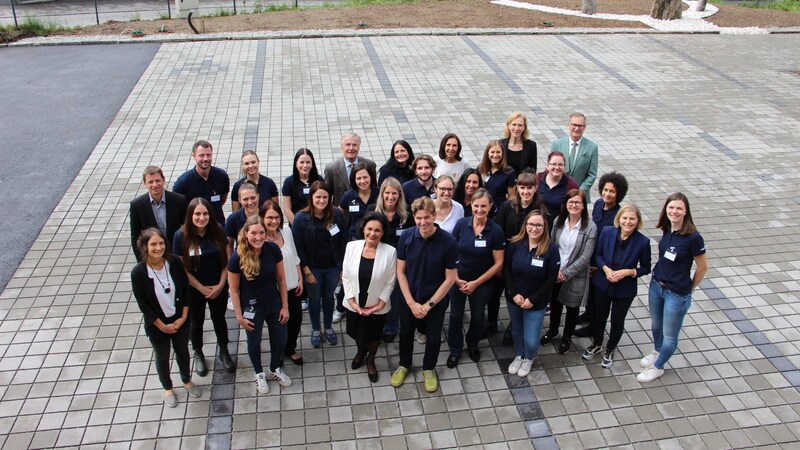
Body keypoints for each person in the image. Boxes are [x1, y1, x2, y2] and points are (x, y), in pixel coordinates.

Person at [637, 193, 708, 383]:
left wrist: (689, 289)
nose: (674, 211)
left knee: (669, 335)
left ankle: (658, 366)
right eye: (671, 207)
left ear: (686, 212)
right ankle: (657, 352)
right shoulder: (668, 229)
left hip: (676, 294)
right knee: (656, 325)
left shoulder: (694, 238)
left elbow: (702, 267)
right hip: (657, 285)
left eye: (678, 208)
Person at [391, 197, 457, 393]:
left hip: (435, 300)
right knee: (405, 333)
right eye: (419, 218)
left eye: (427, 217)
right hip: (409, 297)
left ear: (435, 216)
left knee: (434, 337)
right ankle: (404, 364)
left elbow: (450, 279)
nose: (423, 223)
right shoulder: (407, 237)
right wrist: (411, 303)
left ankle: (429, 368)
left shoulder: (449, 242)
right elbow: (400, 271)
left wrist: (428, 305)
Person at [131, 228, 201, 407]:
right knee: (162, 356)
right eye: (153, 244)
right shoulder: (138, 273)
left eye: (161, 243)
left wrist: (184, 317)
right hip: (158, 325)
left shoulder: (175, 262)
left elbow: (185, 289)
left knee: (183, 351)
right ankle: (167, 387)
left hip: (180, 319)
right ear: (144, 247)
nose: (158, 247)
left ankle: (186, 380)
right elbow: (144, 305)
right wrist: (162, 326)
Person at [582, 204, 651, 368]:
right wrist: (605, 269)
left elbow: (646, 267)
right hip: (603, 282)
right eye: (624, 218)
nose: (627, 222)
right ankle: (597, 343)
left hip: (624, 288)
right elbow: (597, 254)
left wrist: (628, 272)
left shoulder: (643, 241)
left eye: (632, 219)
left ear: (638, 221)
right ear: (619, 219)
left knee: (617, 321)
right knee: (599, 316)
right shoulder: (607, 232)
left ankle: (610, 348)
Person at [228, 216, 292, 394]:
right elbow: (234, 291)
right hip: (251, 308)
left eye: (261, 232)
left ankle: (274, 368)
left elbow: (281, 279)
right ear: (246, 234)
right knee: (254, 341)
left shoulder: (272, 249)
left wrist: (285, 305)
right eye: (253, 233)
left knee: (280, 338)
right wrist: (239, 317)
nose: (258, 237)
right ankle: (258, 373)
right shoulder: (237, 257)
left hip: (274, 303)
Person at [172, 198, 234, 376]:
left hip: (218, 286)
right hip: (194, 289)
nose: (201, 217)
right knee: (196, 321)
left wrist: (221, 284)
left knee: (219, 319)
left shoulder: (218, 231)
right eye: (197, 214)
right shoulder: (181, 236)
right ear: (190, 215)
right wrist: (201, 288)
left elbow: (226, 261)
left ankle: (224, 350)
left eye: (205, 213)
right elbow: (182, 268)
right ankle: (198, 352)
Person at [446, 189, 505, 368]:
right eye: (476, 206)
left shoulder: (495, 231)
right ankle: (455, 350)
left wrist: (476, 283)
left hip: (482, 282)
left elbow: (498, 264)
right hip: (458, 279)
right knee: (455, 315)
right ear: (471, 205)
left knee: (478, 316)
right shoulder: (462, 224)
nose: (479, 210)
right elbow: (450, 252)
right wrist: (455, 278)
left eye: (483, 206)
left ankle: (472, 344)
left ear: (490, 207)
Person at [503, 210, 560, 377]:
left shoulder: (551, 249)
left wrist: (532, 299)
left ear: (544, 227)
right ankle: (520, 354)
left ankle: (529, 357)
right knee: (517, 331)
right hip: (515, 299)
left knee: (532, 339)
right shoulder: (515, 244)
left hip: (536, 302)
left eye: (538, 225)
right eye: (531, 224)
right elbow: (506, 270)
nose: (534, 228)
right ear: (525, 225)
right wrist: (514, 294)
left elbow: (551, 279)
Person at [540, 190, 597, 355]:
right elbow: (551, 245)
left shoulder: (590, 228)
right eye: (571, 202)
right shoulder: (559, 221)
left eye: (577, 202)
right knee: (555, 304)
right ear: (565, 204)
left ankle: (566, 337)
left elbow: (585, 257)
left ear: (583, 206)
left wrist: (565, 274)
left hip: (574, 276)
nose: (574, 205)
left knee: (572, 309)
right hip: (556, 272)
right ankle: (553, 330)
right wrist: (554, 270)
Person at [342, 213, 397, 382]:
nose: (373, 233)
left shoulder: (390, 252)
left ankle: (371, 359)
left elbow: (390, 282)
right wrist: (351, 301)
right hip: (355, 303)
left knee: (373, 336)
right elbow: (345, 276)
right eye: (370, 229)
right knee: (356, 332)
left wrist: (379, 305)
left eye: (377, 230)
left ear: (382, 233)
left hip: (376, 305)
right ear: (363, 229)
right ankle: (360, 352)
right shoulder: (352, 247)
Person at [292, 181, 348, 348]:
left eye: (325, 197)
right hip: (312, 268)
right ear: (311, 198)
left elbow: (343, 241)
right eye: (318, 197)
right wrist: (306, 271)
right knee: (314, 299)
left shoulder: (337, 215)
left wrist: (342, 267)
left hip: (332, 266)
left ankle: (328, 327)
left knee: (329, 297)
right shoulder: (300, 218)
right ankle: (316, 328)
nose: (322, 200)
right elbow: (298, 248)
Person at [491, 172, 543, 342]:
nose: (525, 191)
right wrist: (499, 262)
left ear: (535, 189)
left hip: (526, 262)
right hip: (506, 258)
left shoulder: (540, 210)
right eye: (522, 187)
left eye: (529, 188)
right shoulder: (508, 206)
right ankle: (492, 322)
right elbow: (498, 232)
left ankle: (514, 327)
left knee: (520, 294)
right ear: (517, 188)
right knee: (496, 293)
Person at [575, 171, 629, 333]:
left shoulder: (619, 216)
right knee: (590, 289)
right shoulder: (598, 204)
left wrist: (600, 265)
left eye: (612, 191)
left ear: (619, 194)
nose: (608, 194)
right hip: (592, 252)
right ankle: (589, 314)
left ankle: (594, 326)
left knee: (599, 294)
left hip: (604, 259)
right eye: (605, 190)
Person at [366, 177, 411, 342]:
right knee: (376, 292)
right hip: (378, 261)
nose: (391, 197)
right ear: (382, 194)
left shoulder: (406, 214)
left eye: (394, 193)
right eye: (387, 193)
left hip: (399, 263)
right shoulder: (373, 211)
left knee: (394, 295)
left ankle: (391, 327)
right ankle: (375, 324)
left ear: (399, 195)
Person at [262, 201, 305, 366]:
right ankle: (278, 352)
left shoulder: (286, 231)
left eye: (277, 217)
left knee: (295, 321)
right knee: (277, 325)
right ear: (262, 218)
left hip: (292, 285)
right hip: (274, 291)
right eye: (269, 218)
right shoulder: (260, 239)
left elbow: (294, 255)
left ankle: (290, 349)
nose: (274, 221)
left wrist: (300, 278)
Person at [130, 166, 187, 262]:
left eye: (158, 181)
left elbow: (187, 227)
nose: (155, 185)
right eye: (150, 182)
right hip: (153, 255)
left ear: (163, 180)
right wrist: (143, 261)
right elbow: (135, 236)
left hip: (176, 253)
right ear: (145, 184)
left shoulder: (179, 200)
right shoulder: (137, 206)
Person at [173, 140, 230, 226]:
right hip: (194, 229)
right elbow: (178, 209)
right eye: (201, 155)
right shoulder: (182, 183)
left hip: (217, 226)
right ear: (194, 156)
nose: (205, 159)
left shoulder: (222, 176)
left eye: (208, 155)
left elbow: (222, 199)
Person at [550, 113, 598, 200]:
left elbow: (592, 174)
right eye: (574, 125)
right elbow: (550, 168)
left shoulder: (592, 147)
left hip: (580, 197)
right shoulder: (557, 144)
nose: (577, 128)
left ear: (584, 127)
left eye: (580, 126)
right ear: (568, 125)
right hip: (558, 193)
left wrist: (580, 192)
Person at [324, 133, 376, 205]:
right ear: (341, 147)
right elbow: (326, 194)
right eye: (348, 145)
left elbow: (374, 189)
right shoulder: (331, 169)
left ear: (359, 147)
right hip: (342, 213)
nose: (351, 148)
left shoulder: (370, 165)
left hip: (365, 212)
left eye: (354, 145)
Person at [282, 148, 324, 226]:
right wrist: (297, 226)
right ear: (296, 164)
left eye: (308, 162)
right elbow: (287, 209)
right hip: (298, 223)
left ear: (312, 164)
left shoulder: (319, 179)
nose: (305, 165)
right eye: (302, 162)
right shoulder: (289, 182)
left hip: (317, 223)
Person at [339, 162, 379, 241]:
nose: (362, 181)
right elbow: (339, 212)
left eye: (365, 177)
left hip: (375, 236)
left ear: (371, 177)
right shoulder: (348, 196)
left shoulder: (380, 194)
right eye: (359, 178)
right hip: (355, 237)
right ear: (354, 180)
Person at [537, 151, 579, 226]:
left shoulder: (571, 185)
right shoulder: (537, 179)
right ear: (547, 165)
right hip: (537, 226)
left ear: (564, 167)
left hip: (559, 227)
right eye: (554, 164)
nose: (557, 167)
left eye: (560, 165)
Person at [225, 182, 262, 255]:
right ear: (239, 200)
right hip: (242, 259)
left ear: (258, 196)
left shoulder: (266, 214)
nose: (250, 202)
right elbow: (229, 246)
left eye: (253, 198)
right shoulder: (233, 219)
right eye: (245, 199)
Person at [477, 140, 516, 207]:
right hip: (482, 207)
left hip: (500, 209)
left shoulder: (509, 172)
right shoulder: (481, 168)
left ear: (502, 153)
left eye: (498, 152)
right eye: (492, 152)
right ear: (488, 153)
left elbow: (511, 196)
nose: (495, 155)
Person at [499, 112, 537, 176]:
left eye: (520, 125)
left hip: (522, 184)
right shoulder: (500, 144)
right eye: (514, 124)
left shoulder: (531, 146)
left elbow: (532, 169)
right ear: (508, 125)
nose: (516, 128)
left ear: (524, 128)